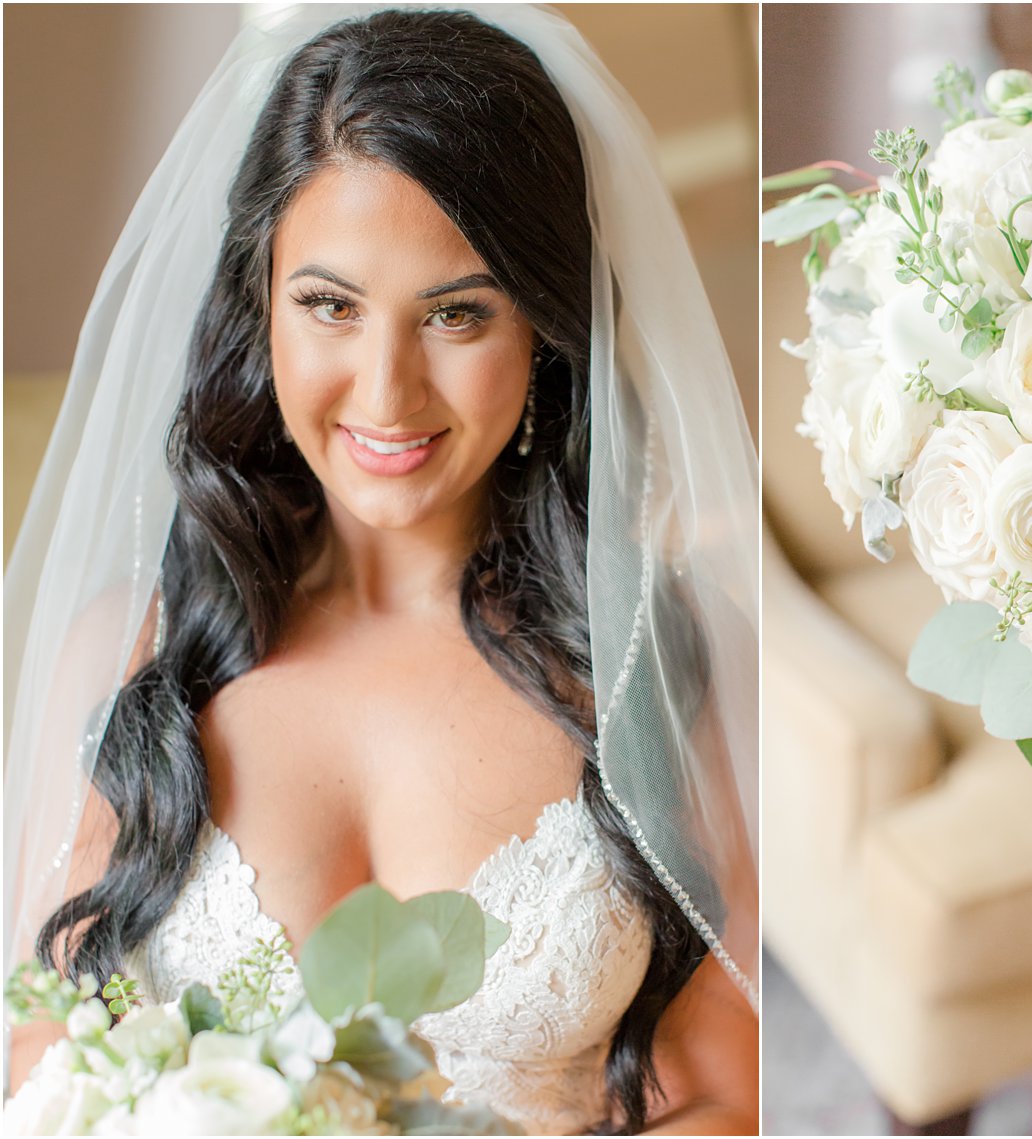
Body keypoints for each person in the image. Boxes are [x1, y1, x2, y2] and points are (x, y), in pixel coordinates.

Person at [2, 6, 759, 1135]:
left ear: (545, 328)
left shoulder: (644, 651)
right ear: (260, 311)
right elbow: (44, 1072)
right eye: (330, 305)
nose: (387, 391)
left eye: (457, 314)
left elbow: (722, 1088)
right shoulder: (134, 658)